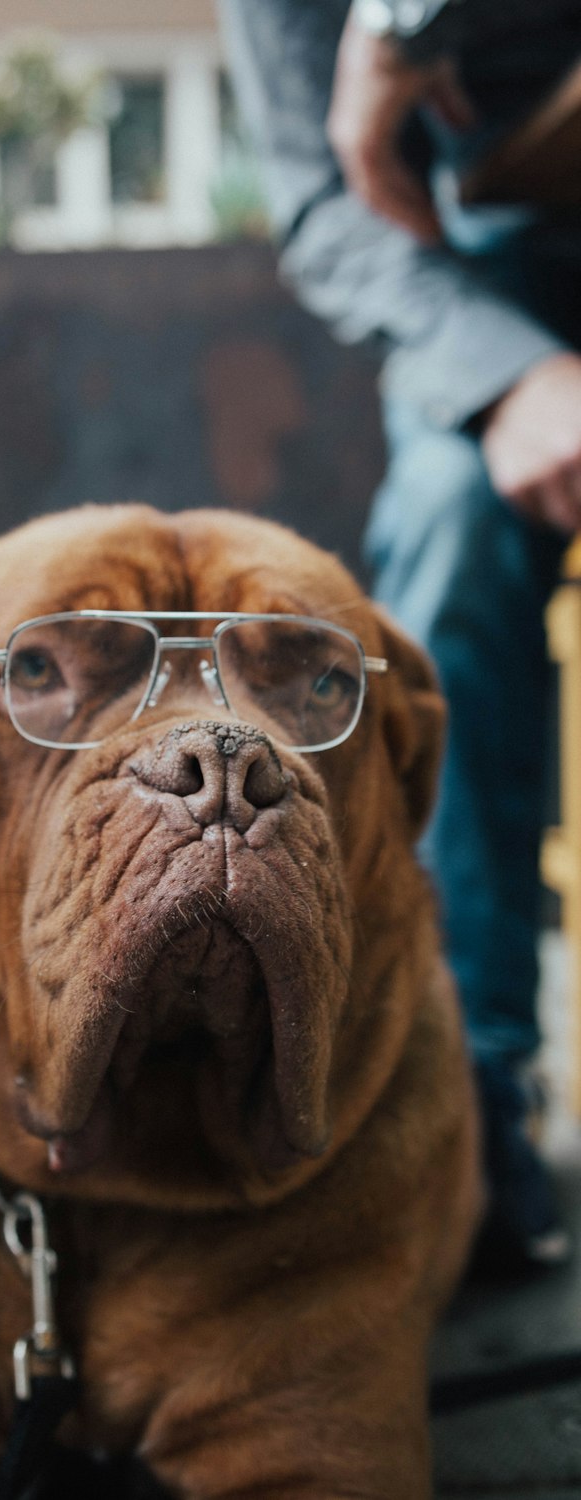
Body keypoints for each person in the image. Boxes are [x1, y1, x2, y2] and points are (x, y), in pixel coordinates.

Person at [218, 0, 581, 1268]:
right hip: (498, 280)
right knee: (446, 523)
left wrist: (405, 14)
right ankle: (474, 1074)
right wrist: (509, 378)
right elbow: (326, 206)